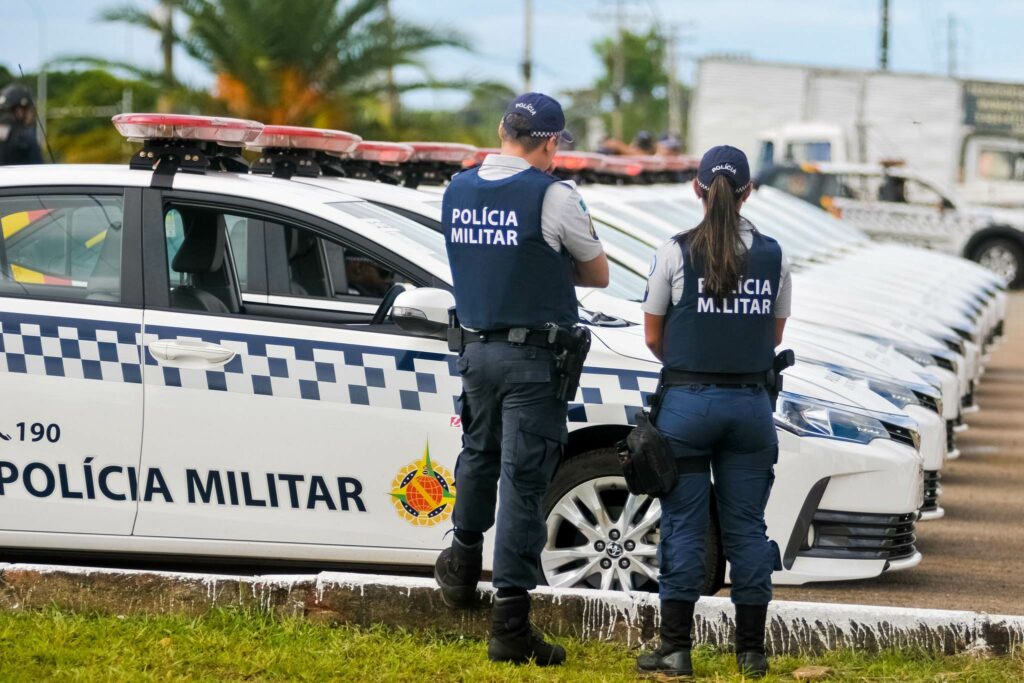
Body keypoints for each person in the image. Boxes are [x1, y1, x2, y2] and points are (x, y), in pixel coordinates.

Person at [435, 92, 609, 666]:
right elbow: (598, 272)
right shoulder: (554, 195)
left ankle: (460, 565)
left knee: (478, 457)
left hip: (476, 353)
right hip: (534, 361)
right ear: (549, 142)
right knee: (524, 482)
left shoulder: (457, 189)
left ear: (501, 130)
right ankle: (509, 624)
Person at [637, 145, 792, 679]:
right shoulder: (774, 254)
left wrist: (692, 362)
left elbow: (654, 335)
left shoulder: (672, 251)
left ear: (697, 189)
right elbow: (773, 335)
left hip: (686, 404)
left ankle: (676, 649)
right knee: (747, 527)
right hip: (750, 406)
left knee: (683, 524)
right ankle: (751, 652)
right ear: (749, 192)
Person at [0, 83, 44, 166]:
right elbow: (38, 168)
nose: (31, 114)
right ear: (19, 110)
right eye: (28, 109)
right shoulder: (26, 135)